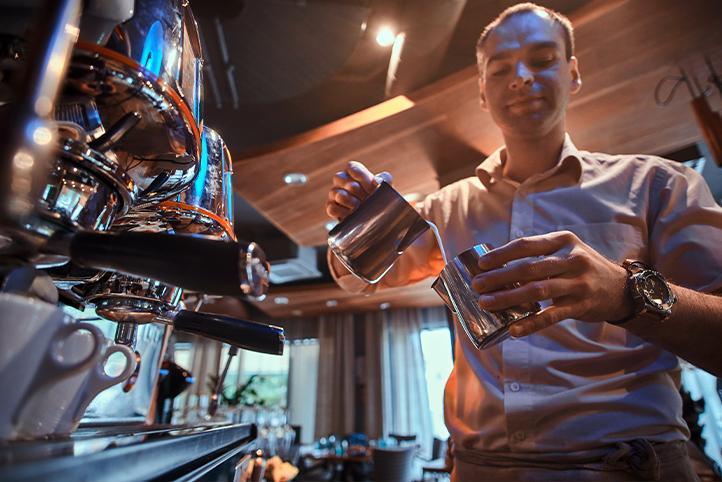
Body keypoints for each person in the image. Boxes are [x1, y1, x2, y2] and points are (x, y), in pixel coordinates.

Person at [326, 2, 722, 481]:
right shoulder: (445, 209)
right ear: (482, 90)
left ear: (572, 73)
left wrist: (623, 295)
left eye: (541, 60)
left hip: (629, 468)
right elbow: (356, 281)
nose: (520, 77)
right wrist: (358, 228)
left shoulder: (659, 185)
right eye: (500, 68)